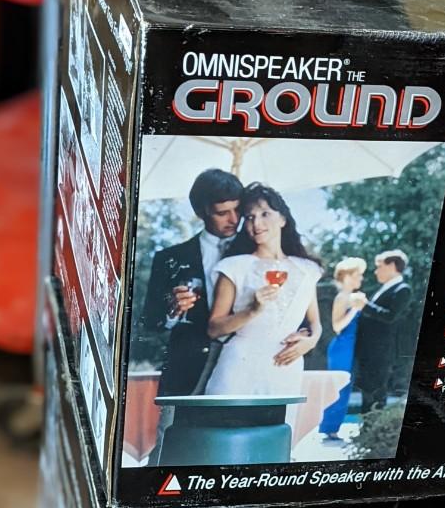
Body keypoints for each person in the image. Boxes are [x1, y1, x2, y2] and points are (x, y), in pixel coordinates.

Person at [138, 169, 243, 463]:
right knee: (170, 452)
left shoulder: (258, 249)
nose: (234, 219)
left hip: (241, 366)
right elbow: (150, 322)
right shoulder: (169, 258)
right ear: (201, 212)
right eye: (222, 212)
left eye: (238, 209)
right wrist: (172, 310)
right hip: (186, 369)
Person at [205, 183, 322, 397]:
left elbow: (315, 323)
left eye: (265, 214)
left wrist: (311, 341)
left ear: (283, 219)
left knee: (282, 419)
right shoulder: (233, 267)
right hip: (239, 367)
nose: (256, 223)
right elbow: (214, 329)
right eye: (249, 217)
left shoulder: (308, 269)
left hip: (286, 369)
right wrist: (252, 310)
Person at [355, 250, 413, 414]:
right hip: (369, 351)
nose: (376, 271)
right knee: (367, 392)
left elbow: (390, 316)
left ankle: (373, 429)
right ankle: (366, 428)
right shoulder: (383, 288)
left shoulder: (402, 289)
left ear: (392, 266)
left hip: (381, 352)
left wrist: (365, 305)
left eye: (379, 266)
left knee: (376, 394)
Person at [319, 257, 368, 443]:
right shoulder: (342, 297)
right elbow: (337, 326)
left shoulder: (352, 296)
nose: (361, 278)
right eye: (358, 275)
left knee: (345, 388)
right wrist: (355, 309)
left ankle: (332, 428)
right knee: (339, 387)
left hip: (350, 347)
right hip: (342, 347)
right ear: (347, 276)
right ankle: (329, 428)